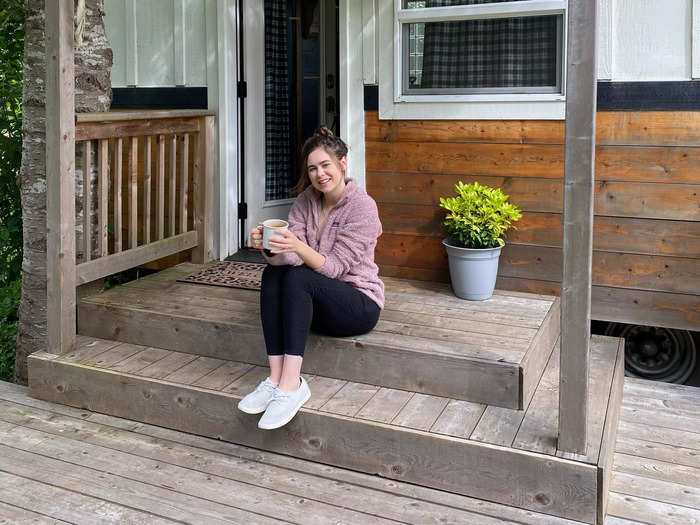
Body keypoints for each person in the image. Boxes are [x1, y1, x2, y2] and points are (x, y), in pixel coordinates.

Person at [238, 127, 384, 430]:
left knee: (297, 280)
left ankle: (293, 387)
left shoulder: (363, 207)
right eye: (313, 168)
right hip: (317, 305)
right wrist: (269, 247)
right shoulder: (306, 200)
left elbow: (335, 269)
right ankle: (275, 379)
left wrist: (297, 246)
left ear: (342, 163)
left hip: (358, 304)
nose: (319, 174)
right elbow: (289, 258)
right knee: (273, 273)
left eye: (326, 165)